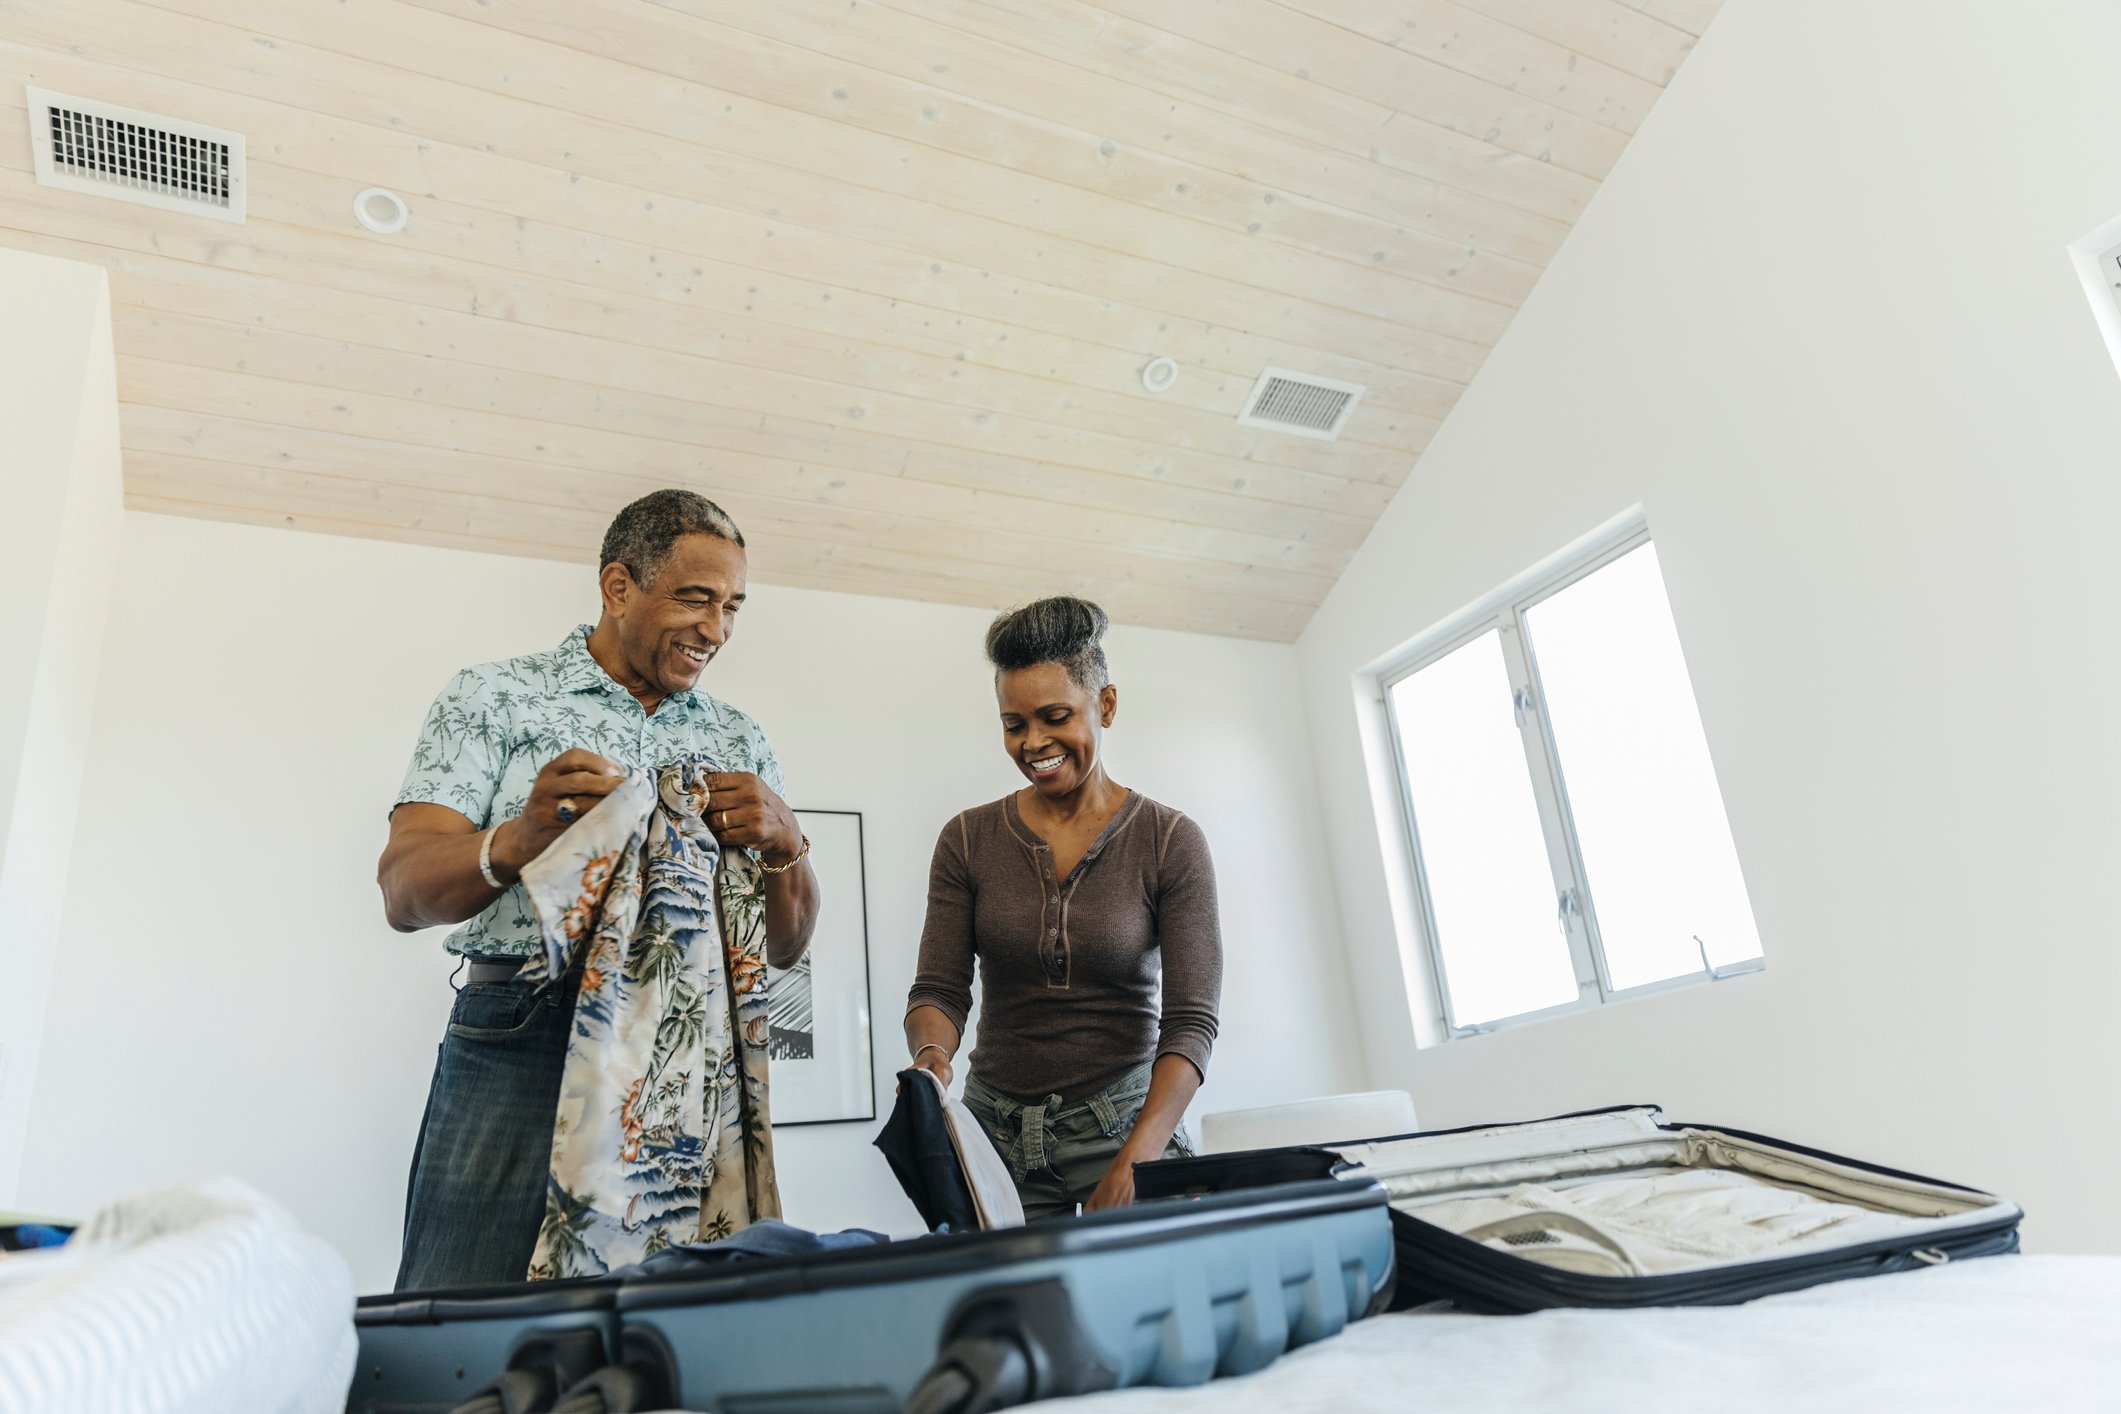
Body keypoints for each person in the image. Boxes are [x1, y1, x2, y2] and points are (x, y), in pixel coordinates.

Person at [378, 489, 819, 1290]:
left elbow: (786, 947)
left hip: (688, 1058)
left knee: (665, 1311)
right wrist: (519, 838)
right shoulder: (492, 699)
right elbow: (402, 892)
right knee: (462, 1294)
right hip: (522, 1031)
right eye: (696, 598)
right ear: (619, 587)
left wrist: (788, 843)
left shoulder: (739, 738)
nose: (716, 630)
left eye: (731, 607)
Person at [904, 597, 1222, 1221]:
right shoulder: (967, 839)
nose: (1034, 743)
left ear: (1105, 704)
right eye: (1014, 724)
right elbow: (938, 990)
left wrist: (1139, 1158)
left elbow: (1191, 1024)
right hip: (994, 1135)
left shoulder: (1168, 841)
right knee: (1018, 1315)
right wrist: (930, 1058)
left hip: (1126, 1128)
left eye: (1055, 717)